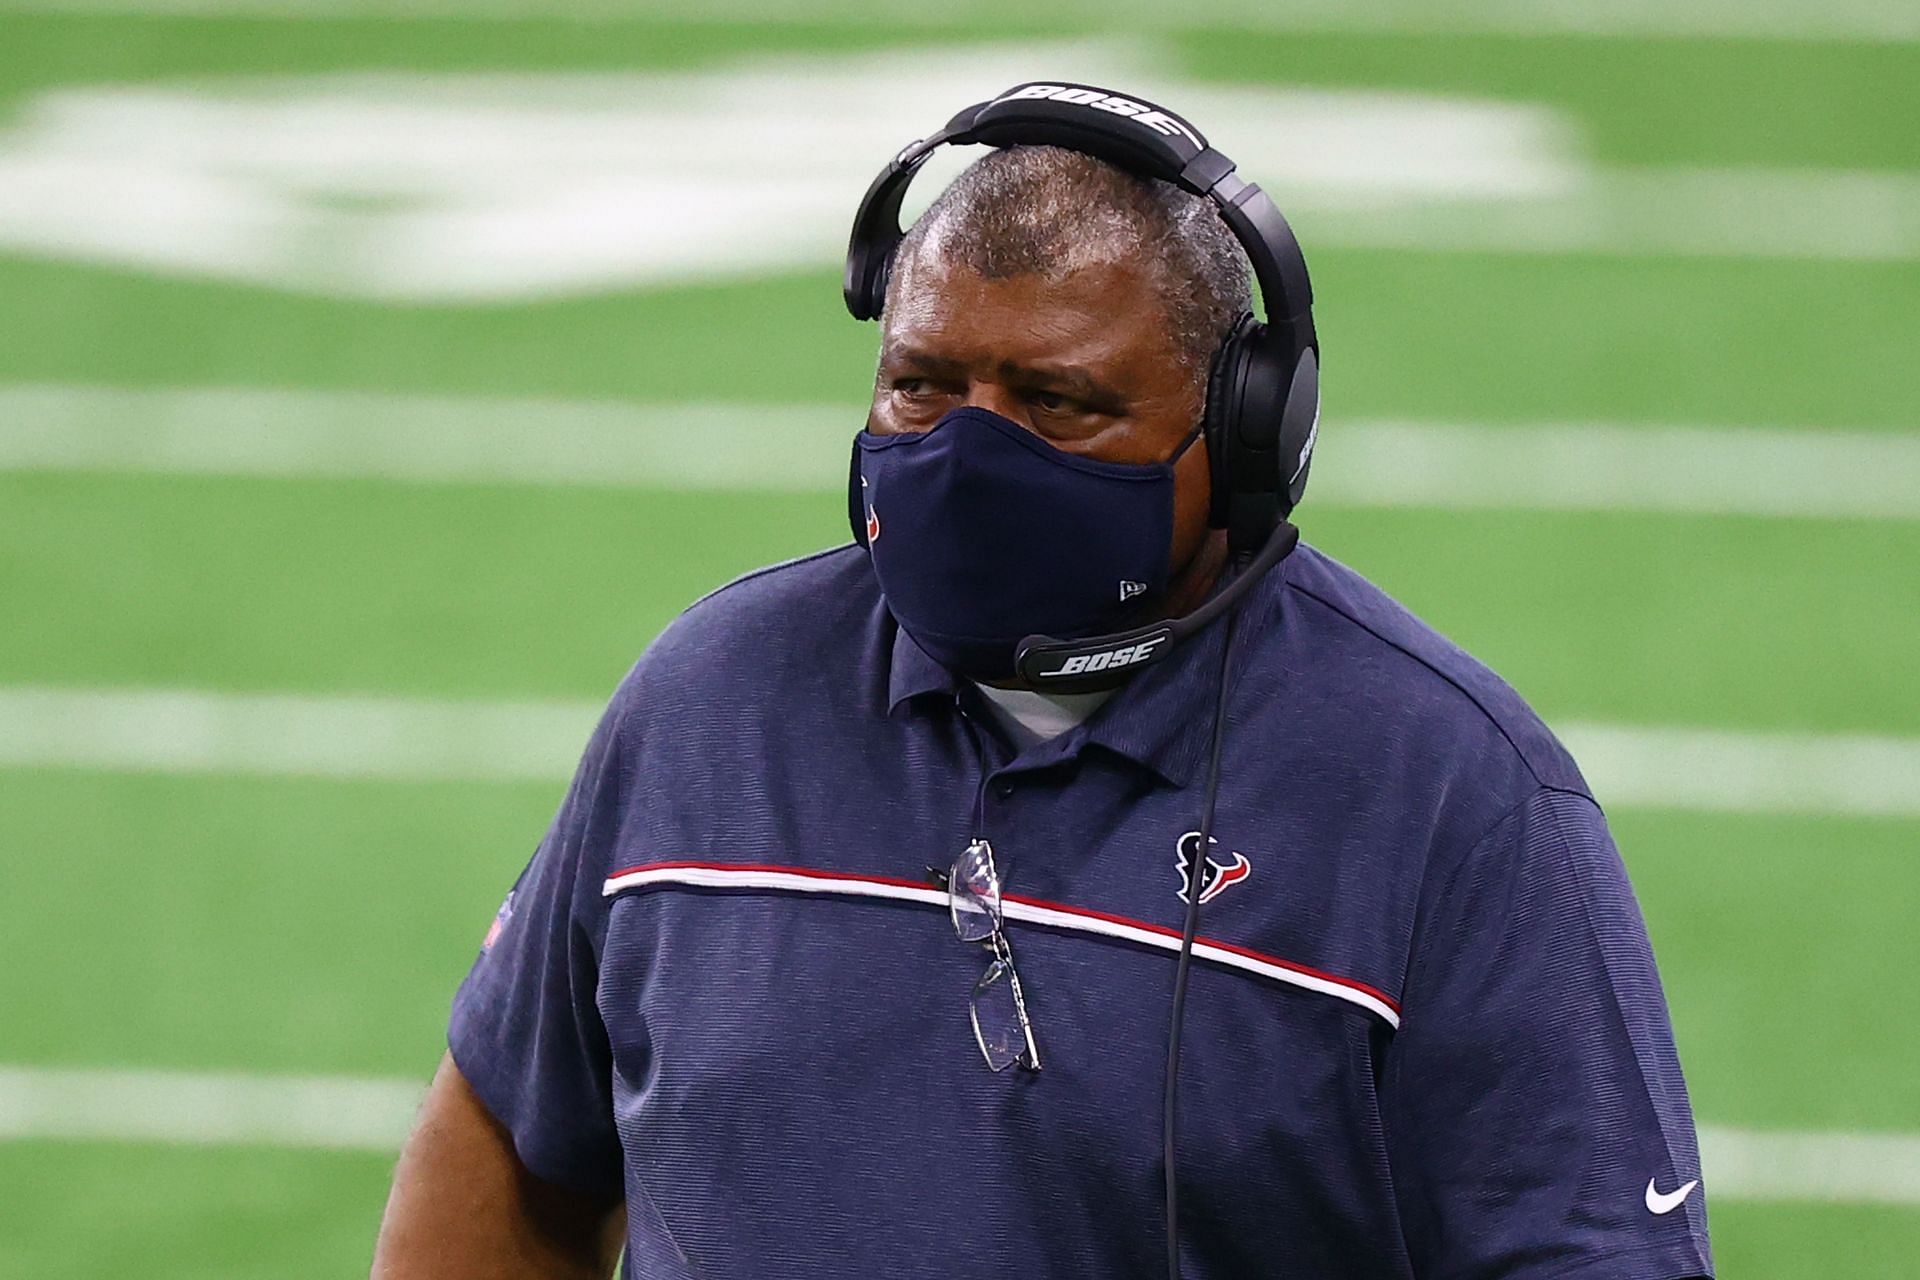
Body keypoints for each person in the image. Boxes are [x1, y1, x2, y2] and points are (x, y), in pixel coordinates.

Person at [372, 84, 1714, 1280]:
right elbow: (508, 1149)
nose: (969, 453)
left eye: (1059, 402)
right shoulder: (711, 701)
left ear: (1247, 431)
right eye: (923, 386)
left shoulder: (1449, 795)